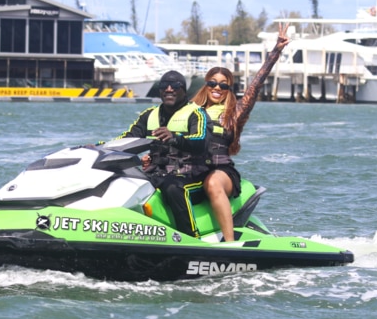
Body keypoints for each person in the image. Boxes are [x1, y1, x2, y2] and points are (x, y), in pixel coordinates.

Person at [191, 24, 291, 242]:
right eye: (213, 83)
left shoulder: (234, 113)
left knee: (213, 183)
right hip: (192, 169)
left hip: (222, 172)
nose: (217, 88)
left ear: (228, 89)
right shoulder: (190, 111)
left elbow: (256, 85)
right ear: (205, 86)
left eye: (223, 85)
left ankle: (229, 243)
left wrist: (276, 51)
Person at [116, 70, 211, 238]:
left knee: (173, 188)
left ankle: (190, 237)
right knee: (124, 181)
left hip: (192, 175)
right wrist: (98, 147)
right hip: (157, 172)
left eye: (175, 85)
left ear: (183, 90)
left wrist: (175, 138)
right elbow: (128, 139)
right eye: (163, 86)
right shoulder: (149, 115)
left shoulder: (196, 113)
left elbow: (200, 141)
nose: (169, 89)